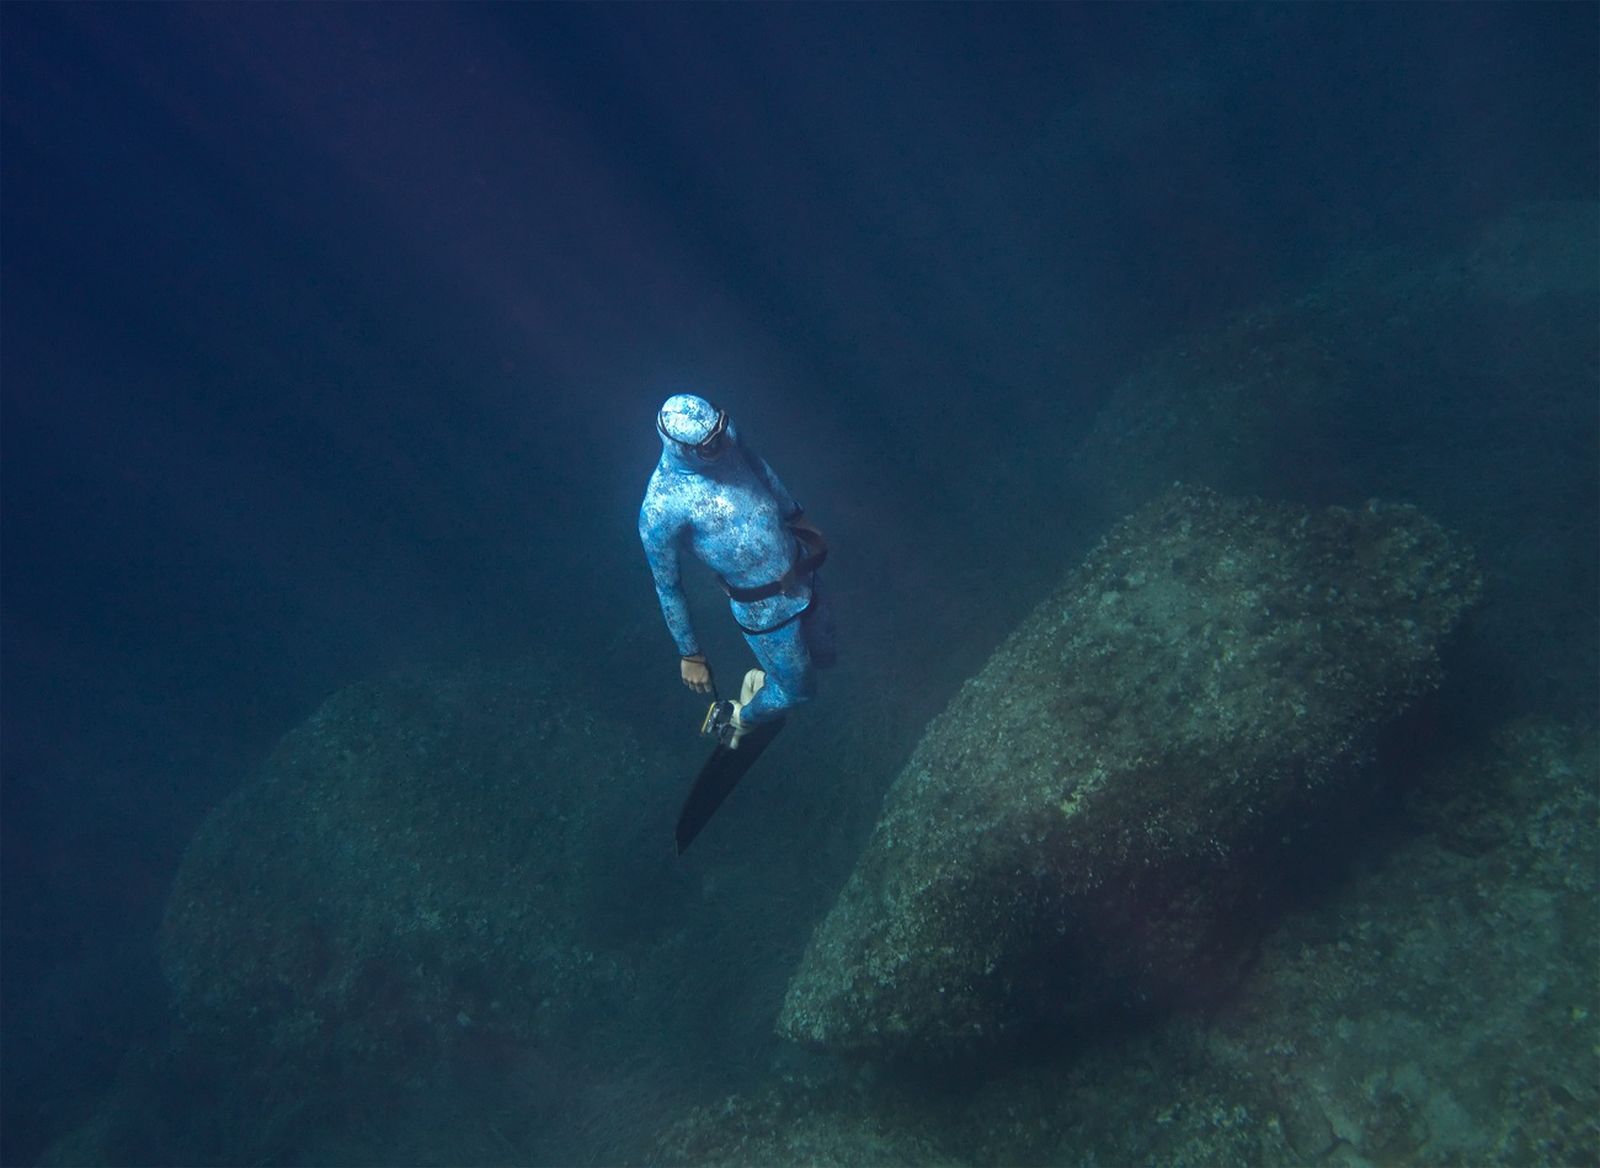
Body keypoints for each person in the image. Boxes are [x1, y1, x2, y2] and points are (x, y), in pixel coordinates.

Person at [639, 393, 835, 747]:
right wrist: (690, 654)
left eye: (720, 429)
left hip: (802, 573)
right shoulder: (661, 508)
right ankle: (739, 719)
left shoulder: (727, 438)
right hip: (764, 611)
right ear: (680, 447)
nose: (721, 443)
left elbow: (760, 467)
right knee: (799, 691)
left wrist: (796, 516)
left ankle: (763, 682)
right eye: (708, 444)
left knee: (825, 654)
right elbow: (668, 587)